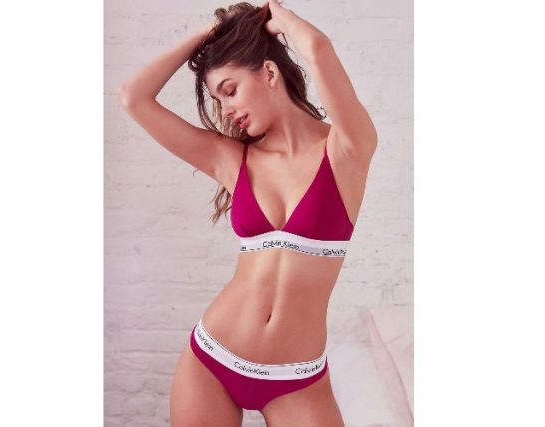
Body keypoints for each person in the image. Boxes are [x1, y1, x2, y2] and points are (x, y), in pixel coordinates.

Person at [118, 1, 377, 425]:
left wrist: (277, 16)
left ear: (269, 74)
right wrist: (211, 33)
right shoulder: (232, 160)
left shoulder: (347, 149)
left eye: (230, 90)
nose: (225, 110)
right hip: (213, 360)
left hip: (297, 378)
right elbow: (133, 97)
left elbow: (318, 49)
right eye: (217, 99)